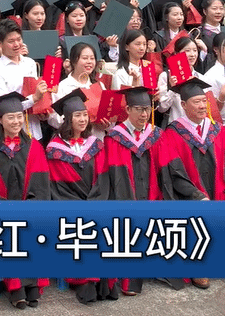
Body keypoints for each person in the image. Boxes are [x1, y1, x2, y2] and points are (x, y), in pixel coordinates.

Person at [0, 92, 51, 309]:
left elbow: (41, 183)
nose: (16, 121)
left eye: (19, 116)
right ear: (0, 120)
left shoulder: (34, 147)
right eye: (11, 117)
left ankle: (32, 286)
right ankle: (16, 289)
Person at [44, 90, 114, 303]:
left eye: (85, 115)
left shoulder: (95, 144)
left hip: (96, 201)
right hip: (69, 205)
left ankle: (101, 281)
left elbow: (103, 177)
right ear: (67, 119)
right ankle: (85, 282)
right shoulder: (55, 149)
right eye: (77, 116)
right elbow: (57, 185)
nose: (83, 119)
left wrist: (95, 201)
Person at [98, 86, 166, 295]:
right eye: (139, 109)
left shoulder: (155, 134)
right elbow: (112, 173)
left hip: (151, 192)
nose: (144, 114)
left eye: (147, 109)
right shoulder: (114, 137)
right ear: (127, 109)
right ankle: (130, 279)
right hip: (126, 195)